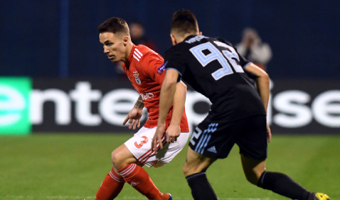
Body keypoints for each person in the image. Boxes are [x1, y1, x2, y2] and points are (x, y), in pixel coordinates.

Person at [152, 9, 330, 200]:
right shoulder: (222, 43)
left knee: (192, 169)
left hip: (227, 107)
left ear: (173, 38)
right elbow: (263, 76)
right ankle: (312, 198)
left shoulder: (176, 51)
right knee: (257, 174)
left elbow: (170, 82)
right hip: (254, 106)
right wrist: (263, 118)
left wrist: (162, 124)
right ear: (200, 33)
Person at [95, 17, 190, 200]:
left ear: (124, 40)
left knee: (119, 157)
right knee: (119, 165)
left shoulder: (144, 57)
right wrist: (139, 106)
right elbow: (150, 87)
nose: (105, 50)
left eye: (109, 44)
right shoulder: (126, 62)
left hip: (169, 126)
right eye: (103, 45)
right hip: (154, 123)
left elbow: (179, 86)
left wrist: (174, 125)